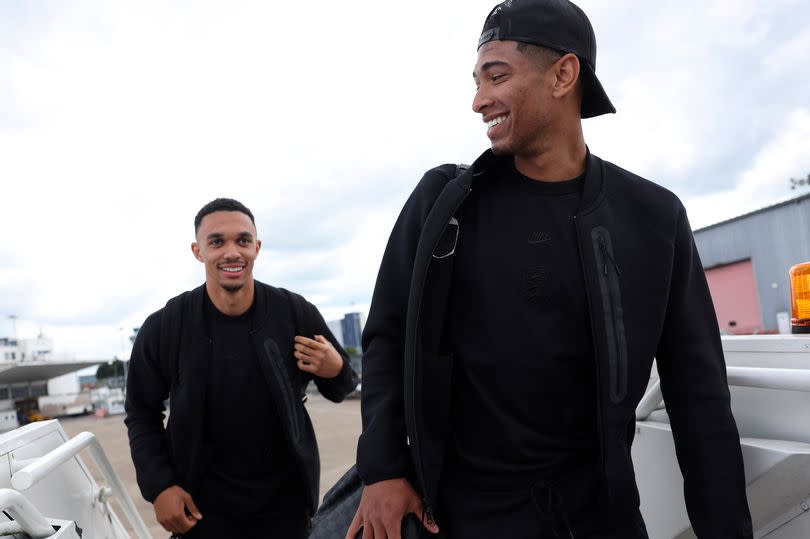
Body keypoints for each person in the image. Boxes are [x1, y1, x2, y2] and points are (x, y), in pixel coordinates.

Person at [347, 1, 752, 538]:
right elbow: (387, 338)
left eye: (497, 76)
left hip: (600, 520)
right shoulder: (444, 204)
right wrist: (383, 469)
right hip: (463, 519)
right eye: (476, 81)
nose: (478, 100)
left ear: (563, 74)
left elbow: (699, 399)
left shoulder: (653, 218)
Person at [125, 197, 358, 538]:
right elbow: (141, 412)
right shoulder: (167, 326)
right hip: (200, 513)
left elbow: (342, 387)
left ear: (257, 247)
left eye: (243, 240)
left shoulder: (293, 312)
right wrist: (160, 487)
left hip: (286, 510)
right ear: (198, 251)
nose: (232, 252)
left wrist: (336, 368)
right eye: (217, 242)